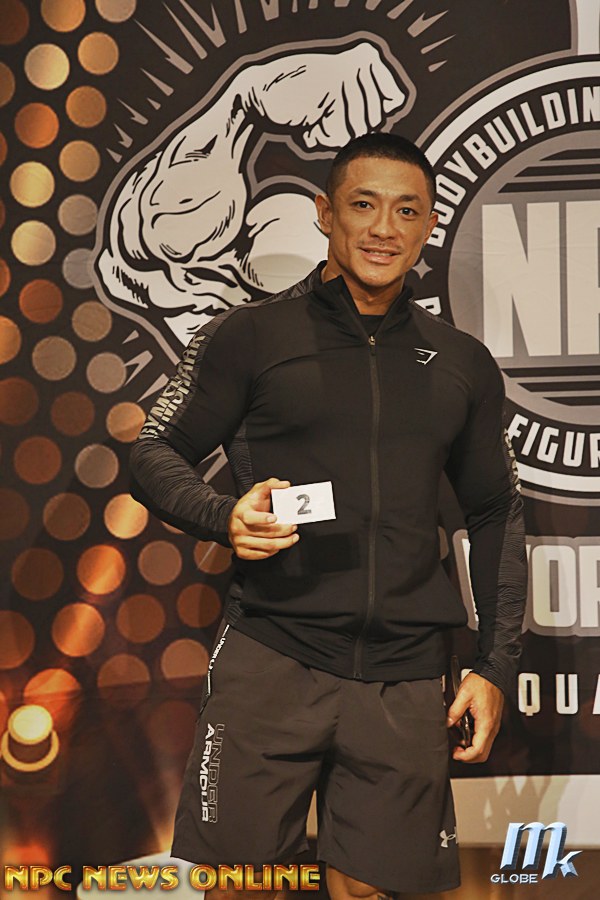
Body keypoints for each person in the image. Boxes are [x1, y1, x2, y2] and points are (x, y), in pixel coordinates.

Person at [130, 132, 527, 897]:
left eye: (406, 211)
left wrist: (494, 666)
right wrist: (222, 514)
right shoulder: (250, 334)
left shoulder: (461, 362)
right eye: (363, 205)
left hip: (406, 677)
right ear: (325, 213)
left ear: (429, 223)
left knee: (370, 890)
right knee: (241, 886)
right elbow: (153, 451)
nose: (384, 229)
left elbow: (495, 511)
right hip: (271, 654)